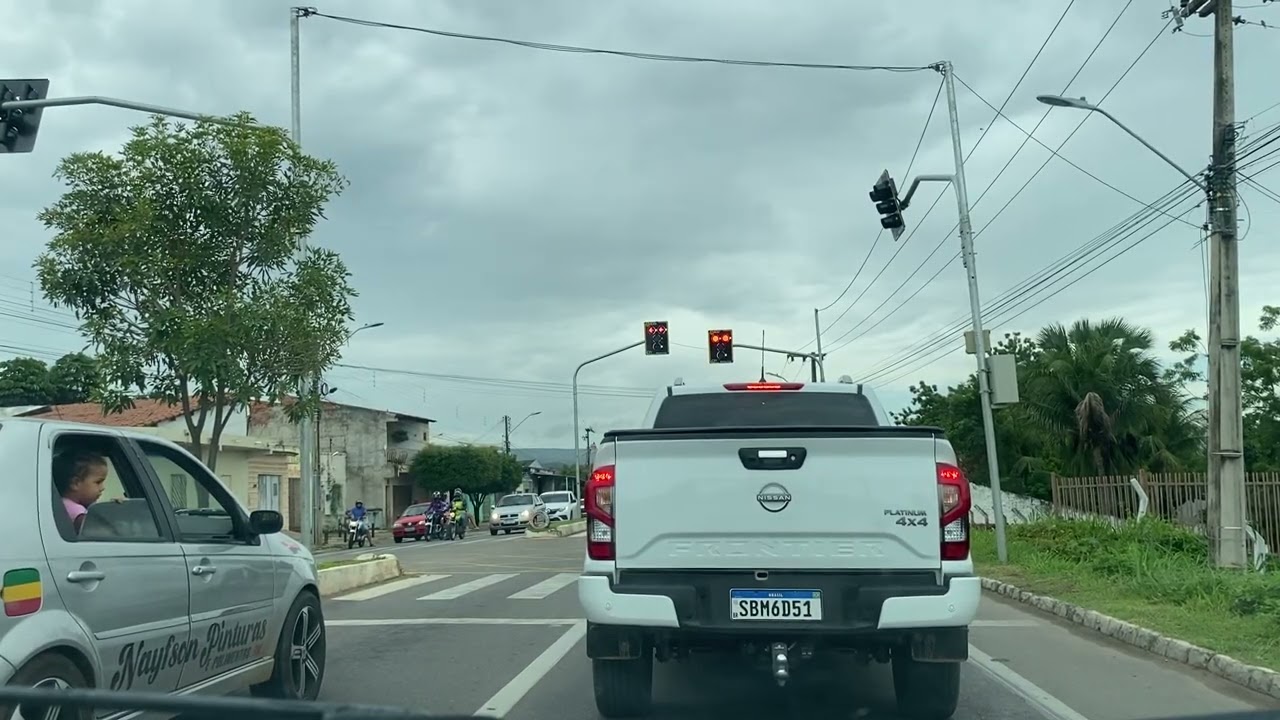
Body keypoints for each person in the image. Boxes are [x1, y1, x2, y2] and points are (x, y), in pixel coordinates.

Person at [54, 448, 109, 534]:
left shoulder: (60, 504)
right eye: (98, 482)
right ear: (75, 483)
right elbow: (101, 532)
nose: (102, 488)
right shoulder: (76, 512)